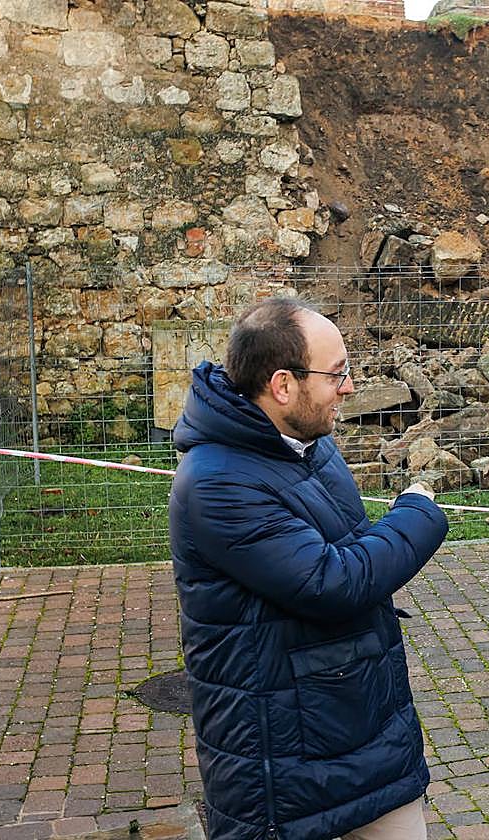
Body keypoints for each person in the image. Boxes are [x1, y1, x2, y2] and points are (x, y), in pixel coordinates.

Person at [169, 297, 448, 840]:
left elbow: (356, 546)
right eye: (337, 375)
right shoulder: (216, 482)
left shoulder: (309, 446)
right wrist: (418, 512)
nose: (349, 388)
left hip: (362, 729)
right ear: (282, 385)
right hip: (284, 762)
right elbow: (333, 582)